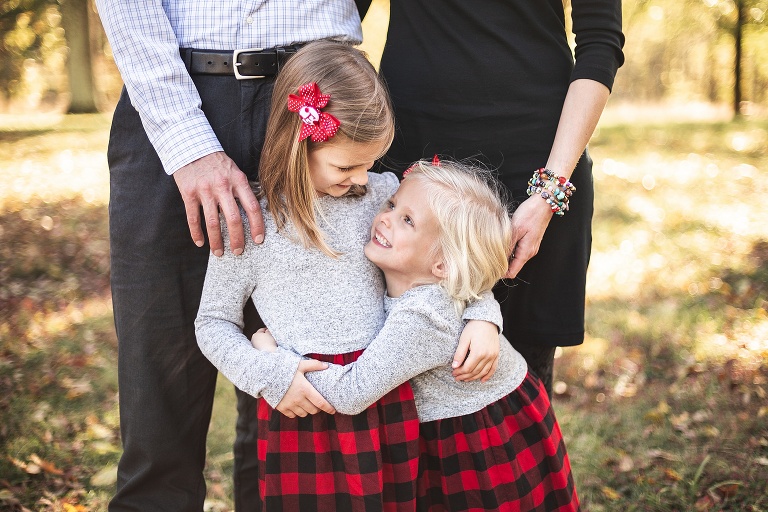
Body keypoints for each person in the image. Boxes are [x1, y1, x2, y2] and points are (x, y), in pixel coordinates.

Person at [194, 41, 503, 510]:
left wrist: (484, 314)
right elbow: (212, 322)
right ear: (302, 143)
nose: (361, 179)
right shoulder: (252, 220)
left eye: (369, 163)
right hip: (301, 404)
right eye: (346, 165)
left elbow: (451, 255)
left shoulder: (384, 195)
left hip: (386, 402)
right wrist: (268, 373)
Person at [94, 2, 374, 510]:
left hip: (320, 100)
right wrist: (187, 144)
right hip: (172, 91)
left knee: (298, 410)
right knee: (158, 386)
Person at [252, 159, 580, 511]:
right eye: (392, 205)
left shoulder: (422, 319)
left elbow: (350, 393)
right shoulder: (418, 280)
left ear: (442, 265)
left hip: (480, 435)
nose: (384, 218)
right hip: (453, 424)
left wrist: (271, 356)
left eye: (407, 220)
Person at [374, 0, 626, 396]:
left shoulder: (543, 189)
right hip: (410, 171)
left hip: (535, 175)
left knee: (521, 387)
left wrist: (549, 191)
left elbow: (601, 41)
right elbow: (332, 22)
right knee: (393, 381)